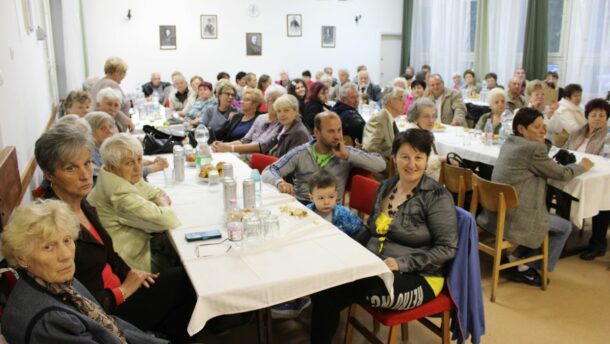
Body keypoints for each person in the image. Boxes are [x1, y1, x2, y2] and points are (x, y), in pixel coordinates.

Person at [33, 127, 199, 343]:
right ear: (49, 175)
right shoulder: (53, 225)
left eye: (87, 163)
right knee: (183, 280)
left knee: (184, 278)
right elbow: (76, 301)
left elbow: (110, 254)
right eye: (71, 168)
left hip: (119, 288)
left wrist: (134, 274)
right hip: (105, 314)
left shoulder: (84, 204)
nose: (85, 175)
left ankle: (163, 332)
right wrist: (123, 290)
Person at [310, 129, 458, 344]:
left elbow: (447, 248)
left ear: (427, 160)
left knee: (331, 291)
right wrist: (344, 249)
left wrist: (402, 263)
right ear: (394, 158)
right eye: (405, 156)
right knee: (325, 278)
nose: (411, 164)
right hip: (377, 266)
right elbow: (370, 230)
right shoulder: (386, 187)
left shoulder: (436, 197)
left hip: (420, 277)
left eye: (419, 157)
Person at [0, 200, 170, 344]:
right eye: (48, 247)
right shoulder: (49, 320)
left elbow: (109, 324)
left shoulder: (57, 280)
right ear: (22, 258)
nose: (66, 255)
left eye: (67, 240)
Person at [477, 108, 593, 286]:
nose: (543, 130)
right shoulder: (532, 150)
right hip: (517, 217)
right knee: (564, 227)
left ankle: (515, 256)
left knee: (546, 219)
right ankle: (526, 267)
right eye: (537, 127)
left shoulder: (510, 142)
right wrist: (582, 167)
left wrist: (541, 141)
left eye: (544, 126)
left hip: (495, 213)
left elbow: (539, 156)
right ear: (522, 129)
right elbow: (562, 174)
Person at [271, 169, 365, 319]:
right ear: (311, 197)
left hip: (337, 257)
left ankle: (303, 298)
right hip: (314, 252)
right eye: (320, 198)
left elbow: (360, 231)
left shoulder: (343, 214)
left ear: (336, 195)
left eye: (331, 197)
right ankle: (295, 298)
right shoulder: (306, 212)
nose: (327, 202)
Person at [87, 133, 181, 273]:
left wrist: (159, 201)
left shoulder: (112, 173)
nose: (138, 168)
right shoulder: (119, 194)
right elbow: (169, 220)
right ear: (112, 166)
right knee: (187, 254)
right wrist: (164, 205)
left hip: (139, 244)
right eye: (129, 163)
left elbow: (154, 191)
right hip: (134, 263)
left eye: (139, 159)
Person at [262, 111, 385, 203]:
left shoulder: (347, 152)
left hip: (331, 211)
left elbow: (381, 164)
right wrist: (279, 182)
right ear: (316, 133)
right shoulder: (301, 152)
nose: (337, 136)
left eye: (339, 130)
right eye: (331, 131)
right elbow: (269, 170)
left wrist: (347, 155)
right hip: (303, 206)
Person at [568, 99, 610, 261]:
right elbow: (566, 150)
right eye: (594, 114)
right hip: (575, 172)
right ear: (587, 116)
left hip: (598, 176)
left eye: (602, 115)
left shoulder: (608, 135)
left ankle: (598, 244)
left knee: (603, 197)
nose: (597, 118)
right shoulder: (578, 131)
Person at [85, 112, 167, 183]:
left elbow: (127, 162)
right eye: (102, 128)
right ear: (90, 132)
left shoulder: (105, 147)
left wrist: (151, 162)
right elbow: (121, 175)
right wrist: (155, 167)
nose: (109, 131)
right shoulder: (90, 153)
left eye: (110, 127)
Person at [212, 84, 286, 155]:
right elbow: (245, 140)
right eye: (272, 100)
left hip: (257, 159)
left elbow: (261, 146)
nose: (276, 103)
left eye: (279, 100)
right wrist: (222, 145)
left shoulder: (282, 122)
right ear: (266, 101)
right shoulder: (260, 118)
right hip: (244, 154)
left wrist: (230, 148)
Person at [362, 86, 407, 178]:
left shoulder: (389, 118)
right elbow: (369, 149)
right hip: (380, 175)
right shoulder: (380, 119)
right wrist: (390, 166)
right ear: (390, 101)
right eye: (400, 98)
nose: (404, 102)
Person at [89, 56, 134, 131]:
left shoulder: (99, 83)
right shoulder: (111, 84)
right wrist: (127, 121)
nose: (124, 76)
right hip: (110, 126)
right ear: (117, 72)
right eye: (123, 73)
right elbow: (112, 109)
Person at [406, 98, 443, 181]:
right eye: (426, 116)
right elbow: (419, 163)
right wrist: (441, 158)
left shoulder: (426, 132)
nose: (431, 120)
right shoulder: (412, 135)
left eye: (433, 116)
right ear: (415, 118)